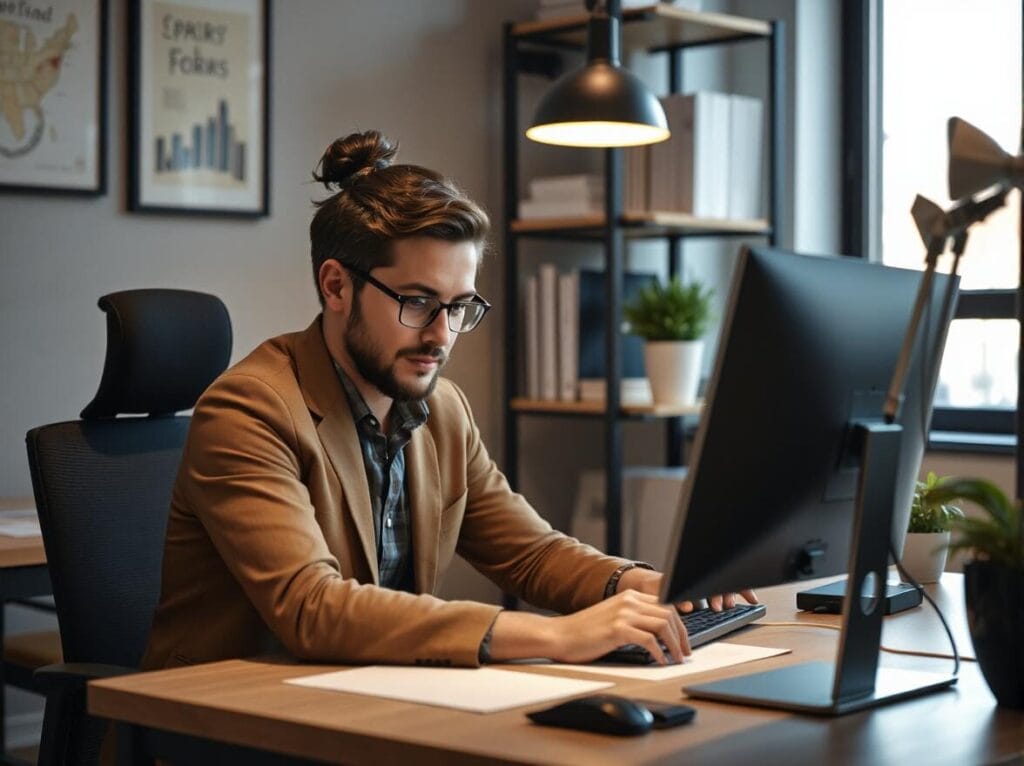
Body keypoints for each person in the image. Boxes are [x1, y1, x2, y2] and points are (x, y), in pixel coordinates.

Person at [141, 130, 754, 672]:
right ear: (336, 286)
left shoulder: (441, 410)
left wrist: (636, 583)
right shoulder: (250, 409)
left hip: (370, 701)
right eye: (417, 301)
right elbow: (312, 608)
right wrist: (556, 636)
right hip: (229, 719)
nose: (441, 334)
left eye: (460, 307)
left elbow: (530, 553)